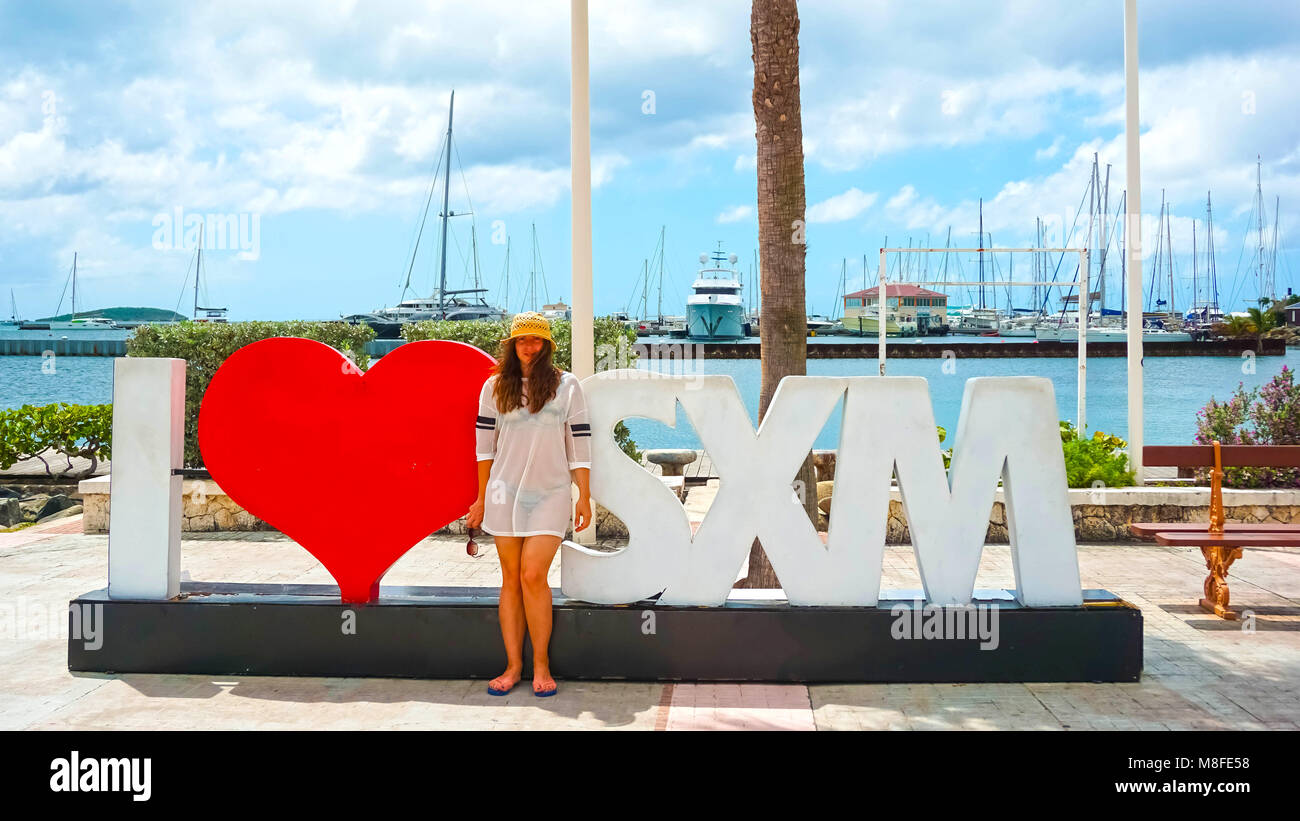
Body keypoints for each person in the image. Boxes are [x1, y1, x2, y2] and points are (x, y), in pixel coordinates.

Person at [465, 311, 592, 697]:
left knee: (533, 575)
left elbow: (580, 444)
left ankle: (541, 663)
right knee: (511, 580)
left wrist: (583, 494)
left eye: (536, 340)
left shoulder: (567, 386)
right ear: (512, 345)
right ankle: (513, 666)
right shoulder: (493, 388)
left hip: (551, 492)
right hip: (504, 492)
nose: (529, 346)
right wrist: (481, 498)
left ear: (547, 345)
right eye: (522, 340)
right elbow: (484, 449)